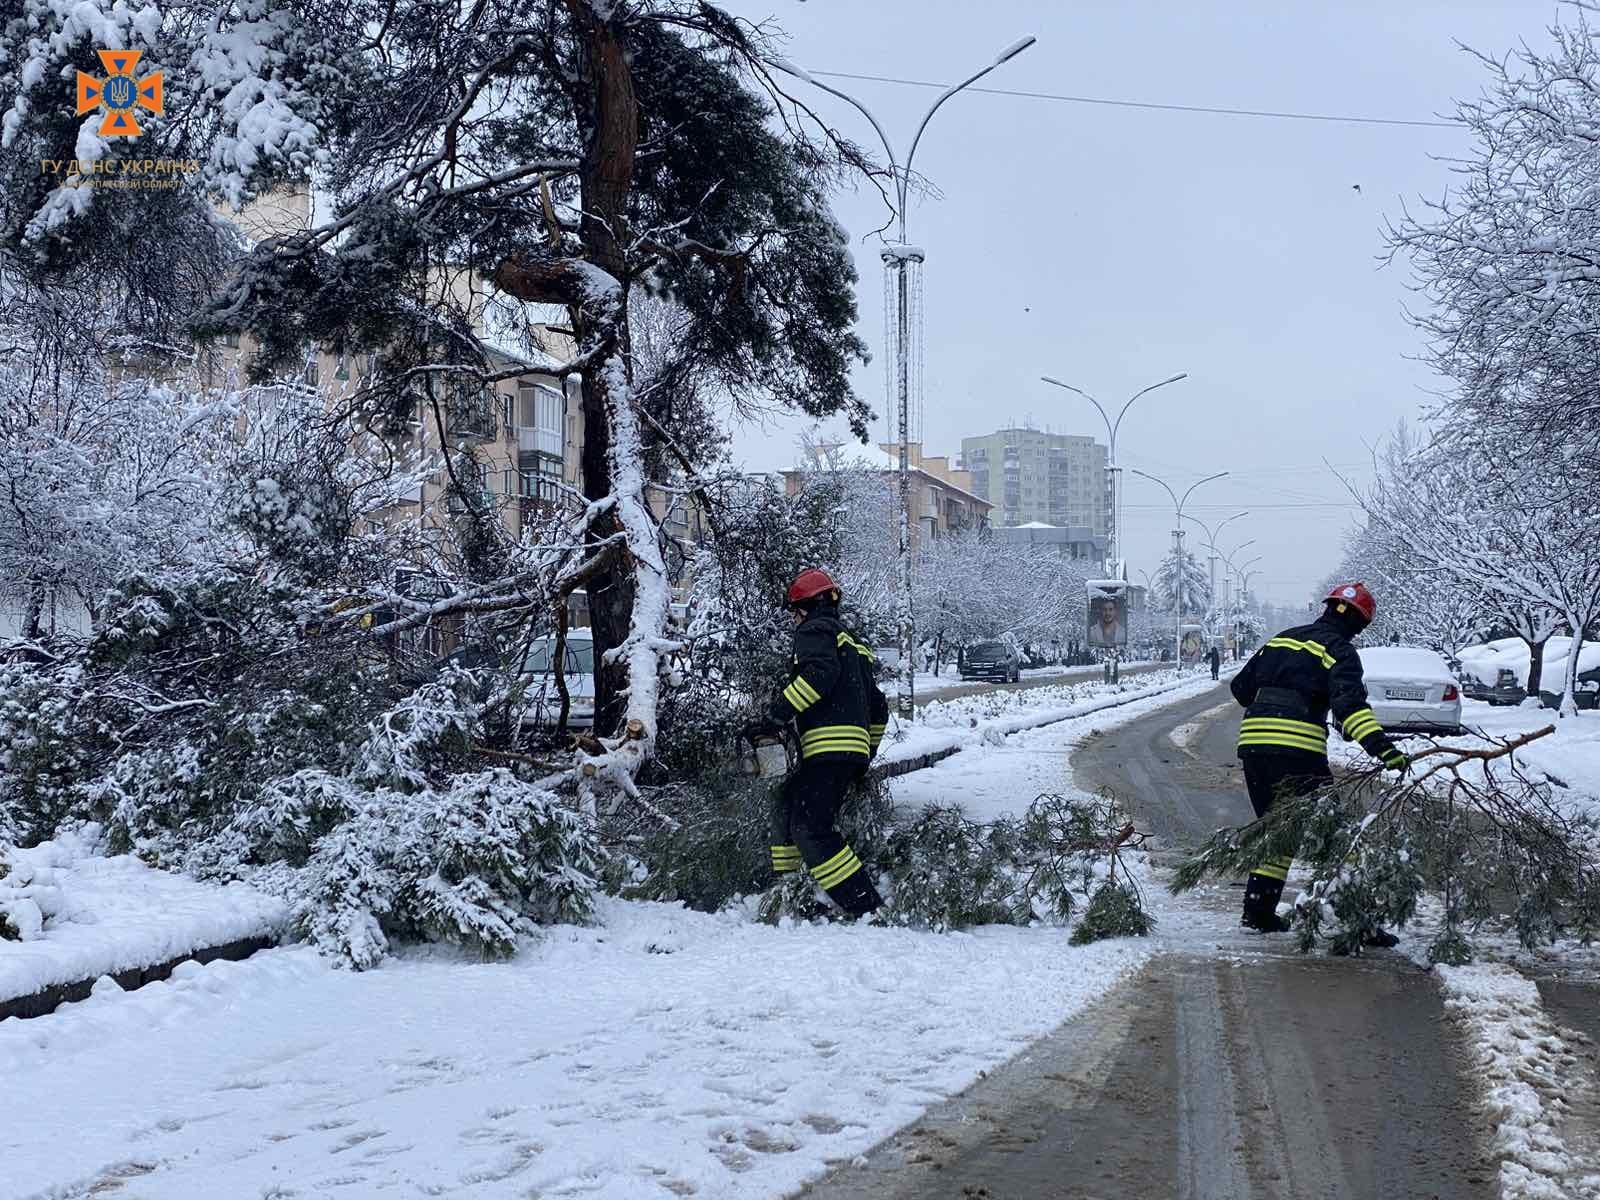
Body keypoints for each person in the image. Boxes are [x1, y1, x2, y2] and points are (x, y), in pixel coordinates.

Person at [1229, 582, 1409, 937]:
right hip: (1298, 751)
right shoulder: (1340, 651)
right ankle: (1360, 923)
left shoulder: (1282, 638)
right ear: (1359, 625)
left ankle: (1258, 912)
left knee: (1276, 829)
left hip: (1253, 746)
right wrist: (1382, 748)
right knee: (1335, 836)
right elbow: (1349, 707)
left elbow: (1240, 690)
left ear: (1326, 608)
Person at [750, 568, 886, 917]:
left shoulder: (815, 631)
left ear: (807, 608)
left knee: (811, 828)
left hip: (827, 748)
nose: (794, 619)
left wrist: (776, 714)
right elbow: (879, 707)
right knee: (785, 809)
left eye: (794, 611)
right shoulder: (853, 645)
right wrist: (864, 755)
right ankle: (790, 892)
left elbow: (819, 675)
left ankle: (866, 906)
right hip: (845, 752)